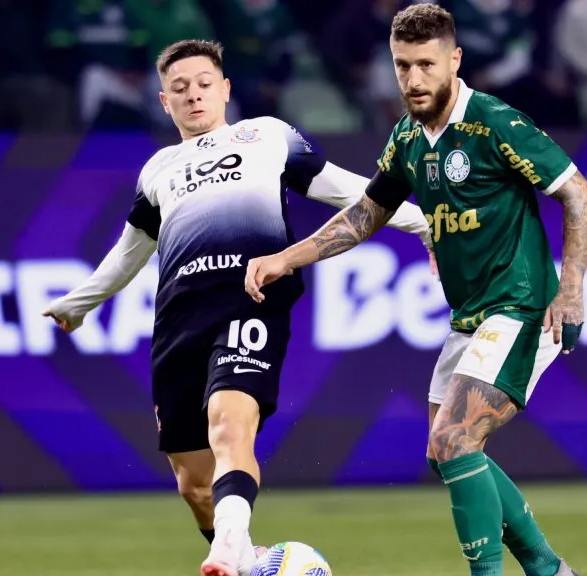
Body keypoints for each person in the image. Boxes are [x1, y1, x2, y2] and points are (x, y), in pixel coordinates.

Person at [41, 39, 432, 576]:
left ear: (224, 89)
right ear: (164, 101)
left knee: (230, 425)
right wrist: (77, 305)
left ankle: (226, 549)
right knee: (193, 482)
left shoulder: (266, 135)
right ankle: (247, 561)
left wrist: (424, 223)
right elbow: (127, 253)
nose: (194, 96)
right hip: (178, 318)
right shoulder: (158, 169)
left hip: (251, 297)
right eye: (180, 89)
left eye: (204, 84)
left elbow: (350, 192)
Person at [244, 5, 587, 575]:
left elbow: (578, 193)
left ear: (455, 60)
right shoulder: (407, 136)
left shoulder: (494, 122)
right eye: (402, 66)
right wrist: (286, 258)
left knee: (456, 439)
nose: (413, 79)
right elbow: (363, 215)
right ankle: (551, 571)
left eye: (426, 64)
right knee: (444, 452)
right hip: (469, 317)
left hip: (523, 307)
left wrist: (571, 289)